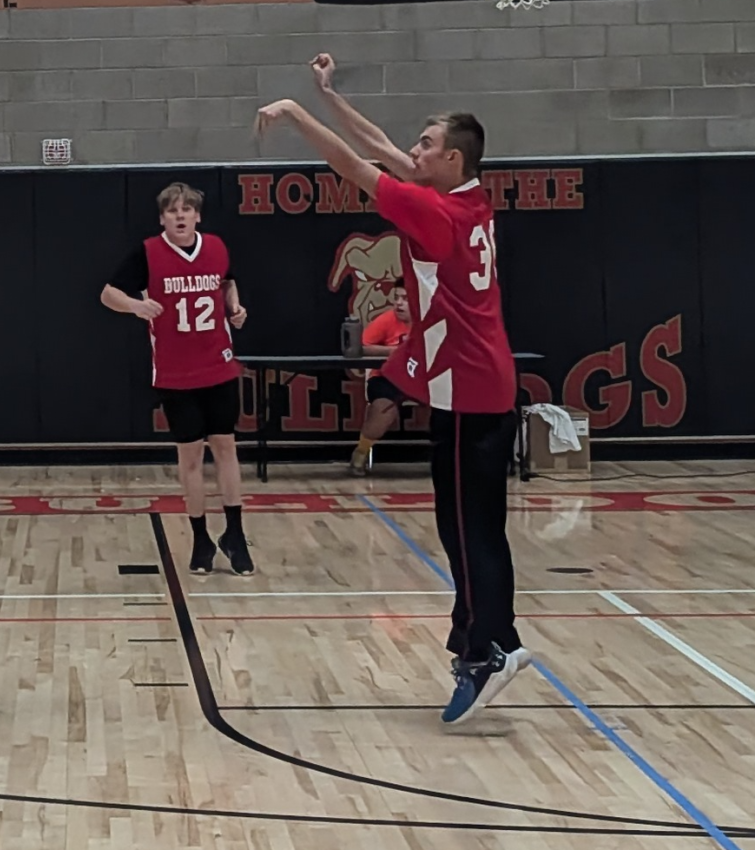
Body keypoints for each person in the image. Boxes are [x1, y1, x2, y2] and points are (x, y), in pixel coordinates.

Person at [255, 64, 529, 724]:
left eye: (427, 143)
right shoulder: (467, 198)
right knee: (468, 526)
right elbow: (378, 144)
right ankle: (479, 644)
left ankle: (495, 647)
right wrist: (330, 95)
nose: (416, 149)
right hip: (477, 382)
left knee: (471, 533)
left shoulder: (434, 212)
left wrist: (296, 113)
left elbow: (354, 163)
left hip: (468, 386)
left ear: (453, 156)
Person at [100, 182, 254, 576]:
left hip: (218, 364)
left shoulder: (217, 247)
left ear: (198, 215)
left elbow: (228, 281)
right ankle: (200, 539)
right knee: (190, 457)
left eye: (187, 209)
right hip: (175, 371)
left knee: (226, 448)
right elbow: (107, 294)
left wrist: (234, 306)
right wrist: (136, 305)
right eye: (172, 210)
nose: (180, 215)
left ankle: (234, 534)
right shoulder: (149, 253)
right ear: (162, 218)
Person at [352, 279, 412, 476]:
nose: (399, 303)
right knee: (383, 409)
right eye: (396, 298)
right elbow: (362, 348)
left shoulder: (433, 322)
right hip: (387, 378)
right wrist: (396, 352)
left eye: (405, 298)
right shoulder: (386, 320)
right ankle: (361, 451)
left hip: (423, 378)